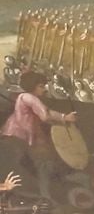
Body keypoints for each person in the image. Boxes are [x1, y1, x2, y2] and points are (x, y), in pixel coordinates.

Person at [2, 70, 75, 200]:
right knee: (37, 163)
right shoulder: (29, 97)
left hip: (17, 134)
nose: (44, 89)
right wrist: (65, 117)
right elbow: (45, 114)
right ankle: (40, 194)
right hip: (18, 135)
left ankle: (39, 192)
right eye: (41, 86)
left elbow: (42, 116)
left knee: (34, 162)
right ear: (33, 86)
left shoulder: (24, 97)